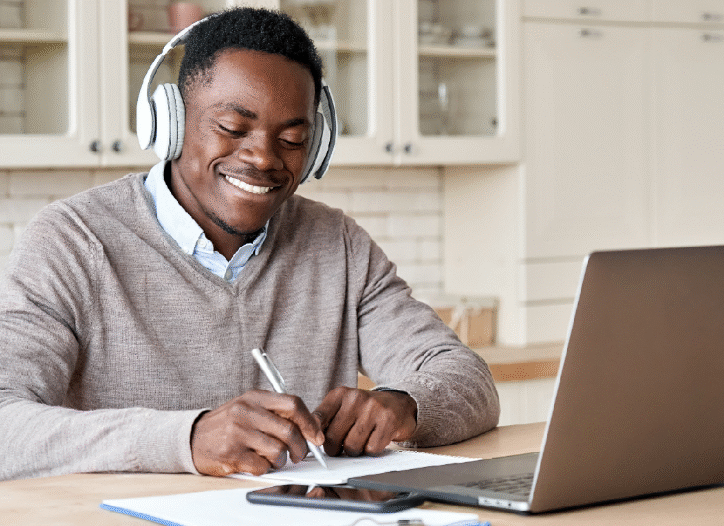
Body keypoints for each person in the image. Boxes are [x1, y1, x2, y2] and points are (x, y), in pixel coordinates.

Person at [0, 7, 499, 481]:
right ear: (169, 123)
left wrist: (404, 405)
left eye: (292, 138)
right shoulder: (71, 240)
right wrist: (186, 439)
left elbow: (466, 379)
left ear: (318, 145)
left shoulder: (339, 245)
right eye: (232, 128)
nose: (263, 157)